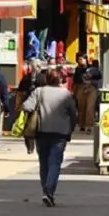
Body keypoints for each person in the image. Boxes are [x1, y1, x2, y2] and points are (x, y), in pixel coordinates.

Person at [23, 68, 77, 207]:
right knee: (55, 163)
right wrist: (70, 129)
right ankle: (49, 191)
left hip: (42, 132)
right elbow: (73, 114)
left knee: (44, 163)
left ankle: (45, 191)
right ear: (60, 79)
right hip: (60, 134)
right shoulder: (66, 94)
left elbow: (26, 106)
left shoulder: (39, 92)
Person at [17, 60, 46, 153]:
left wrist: (19, 104)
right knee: (34, 128)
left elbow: (20, 92)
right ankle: (33, 147)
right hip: (34, 106)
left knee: (30, 127)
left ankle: (31, 147)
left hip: (31, 105)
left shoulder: (29, 78)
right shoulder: (41, 78)